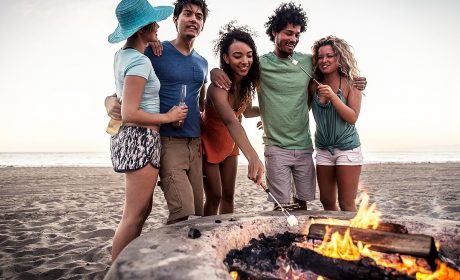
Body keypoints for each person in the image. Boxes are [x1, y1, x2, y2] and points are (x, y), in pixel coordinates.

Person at [211, 3, 367, 210]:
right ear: (274, 31)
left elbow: (331, 67)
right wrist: (214, 71)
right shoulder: (258, 65)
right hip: (275, 146)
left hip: (304, 145)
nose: (293, 39)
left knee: (303, 205)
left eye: (297, 34)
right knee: (281, 206)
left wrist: (357, 81)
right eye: (288, 33)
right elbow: (237, 72)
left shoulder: (308, 62)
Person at [106, 0, 210, 225]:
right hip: (168, 141)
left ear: (202, 24)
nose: (194, 19)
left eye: (199, 16)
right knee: (183, 212)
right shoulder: (155, 51)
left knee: (198, 214)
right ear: (175, 19)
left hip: (195, 144)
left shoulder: (203, 63)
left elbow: (200, 104)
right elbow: (126, 84)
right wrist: (108, 101)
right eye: (188, 14)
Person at [107, 0, 187, 261]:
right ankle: (116, 272)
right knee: (133, 216)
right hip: (140, 137)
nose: (158, 26)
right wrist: (169, 116)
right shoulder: (139, 63)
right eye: (153, 23)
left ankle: (128, 264)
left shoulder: (123, 55)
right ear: (143, 29)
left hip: (134, 138)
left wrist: (148, 41)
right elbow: (130, 112)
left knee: (142, 210)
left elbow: (121, 100)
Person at [201, 23, 264, 216]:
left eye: (249, 55)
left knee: (229, 195)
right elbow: (231, 121)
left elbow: (245, 112)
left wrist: (269, 112)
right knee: (215, 196)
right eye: (238, 56)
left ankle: (226, 230)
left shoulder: (245, 85)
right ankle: (207, 234)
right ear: (226, 58)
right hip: (209, 143)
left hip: (231, 143)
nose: (245, 61)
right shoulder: (217, 87)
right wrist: (253, 156)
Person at [309, 36, 363, 211]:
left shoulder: (351, 83)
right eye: (320, 57)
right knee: (327, 201)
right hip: (323, 149)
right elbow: (298, 108)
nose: (324, 60)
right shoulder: (313, 85)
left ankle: (354, 237)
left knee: (346, 203)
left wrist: (333, 97)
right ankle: (335, 236)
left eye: (330, 56)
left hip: (347, 148)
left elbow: (352, 117)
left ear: (339, 58)